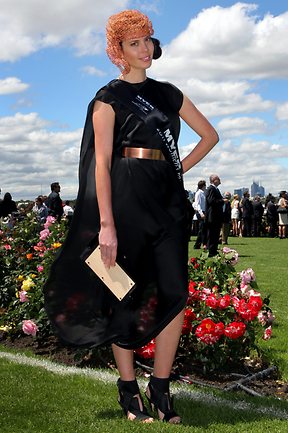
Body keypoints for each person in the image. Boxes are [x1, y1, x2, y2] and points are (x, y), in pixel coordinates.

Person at [44, 9, 219, 424]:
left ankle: (160, 388)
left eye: (147, 40)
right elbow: (100, 164)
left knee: (174, 294)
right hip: (124, 203)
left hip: (168, 204)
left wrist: (176, 171)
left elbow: (210, 136)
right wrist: (106, 224)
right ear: (118, 51)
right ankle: (128, 390)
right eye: (134, 43)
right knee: (121, 293)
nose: (144, 49)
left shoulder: (170, 93)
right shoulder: (108, 99)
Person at [205, 174, 224, 257]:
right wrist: (222, 201)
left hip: (216, 216)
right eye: (218, 179)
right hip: (212, 216)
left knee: (215, 234)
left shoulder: (216, 189)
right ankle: (211, 251)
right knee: (212, 234)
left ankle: (213, 250)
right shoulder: (211, 189)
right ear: (213, 180)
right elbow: (211, 201)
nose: (219, 180)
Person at [193, 180, 207, 249]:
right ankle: (197, 244)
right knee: (202, 228)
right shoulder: (198, 193)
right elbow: (198, 204)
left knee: (203, 229)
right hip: (200, 212)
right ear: (203, 186)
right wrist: (201, 213)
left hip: (204, 211)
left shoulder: (203, 193)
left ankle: (203, 243)